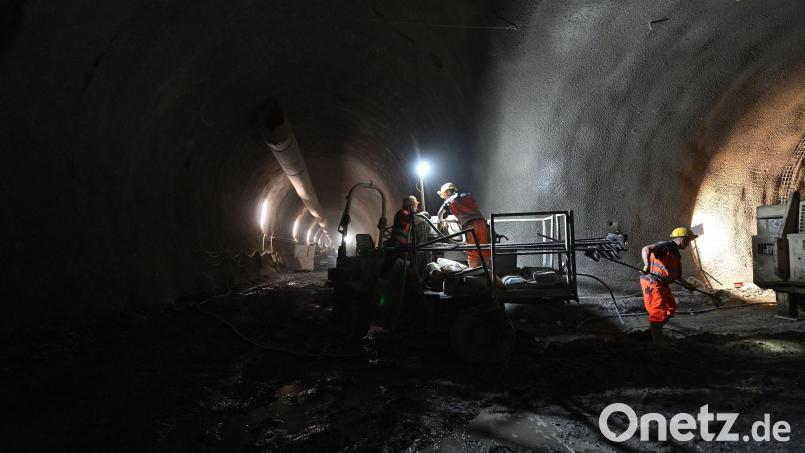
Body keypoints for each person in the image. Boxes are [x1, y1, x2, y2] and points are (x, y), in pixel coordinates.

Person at [640, 227, 698, 343]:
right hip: (652, 282)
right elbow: (645, 249)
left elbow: (678, 276)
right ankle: (658, 342)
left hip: (662, 284)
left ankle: (654, 330)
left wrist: (687, 285)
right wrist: (646, 265)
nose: (688, 244)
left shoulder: (676, 254)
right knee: (657, 311)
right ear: (683, 239)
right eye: (689, 241)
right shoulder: (665, 246)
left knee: (670, 307)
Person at [436, 182, 491, 268]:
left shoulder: (448, 201)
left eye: (444, 195)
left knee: (472, 252)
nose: (444, 198)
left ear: (448, 192)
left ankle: (473, 274)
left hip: (470, 227)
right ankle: (489, 273)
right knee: (485, 249)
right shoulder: (467, 195)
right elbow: (472, 207)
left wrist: (441, 221)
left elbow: (440, 214)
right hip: (481, 223)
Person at [381, 196, 421, 274]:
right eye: (415, 205)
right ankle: (382, 279)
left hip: (401, 244)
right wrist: (422, 215)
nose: (416, 207)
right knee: (388, 264)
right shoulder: (402, 213)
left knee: (412, 260)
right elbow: (413, 219)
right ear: (410, 205)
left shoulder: (406, 214)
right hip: (396, 243)